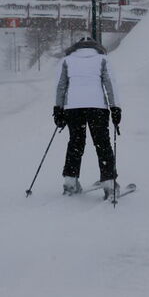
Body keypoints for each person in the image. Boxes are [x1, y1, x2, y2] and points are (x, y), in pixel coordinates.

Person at [53, 36, 122, 197]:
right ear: (96, 47)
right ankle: (109, 183)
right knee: (102, 143)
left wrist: (58, 109)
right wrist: (115, 108)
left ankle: (70, 181)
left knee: (75, 143)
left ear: (76, 47)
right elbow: (110, 85)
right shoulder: (102, 59)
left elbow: (60, 86)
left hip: (73, 107)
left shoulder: (67, 60)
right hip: (97, 107)